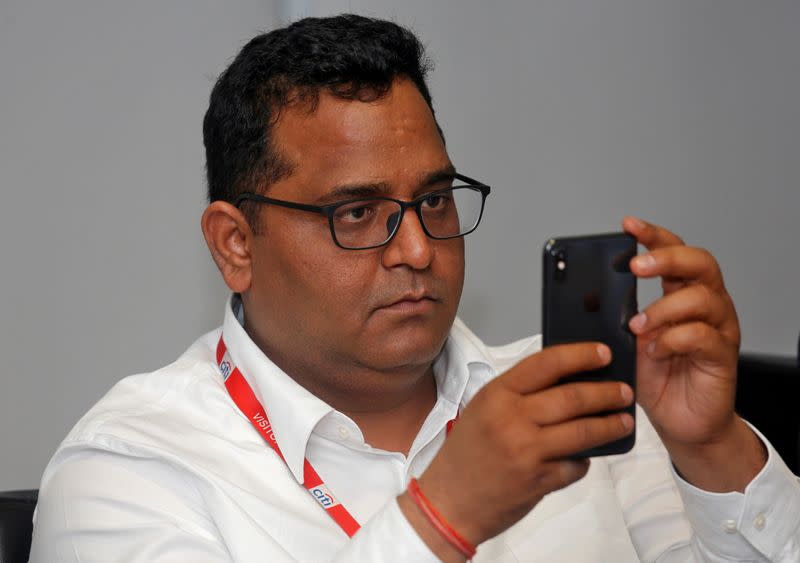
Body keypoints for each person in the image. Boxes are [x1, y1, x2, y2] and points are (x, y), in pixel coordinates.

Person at [30, 14, 800, 562]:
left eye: (433, 199)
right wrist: (442, 515)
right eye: (356, 213)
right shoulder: (128, 470)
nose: (416, 247)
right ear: (237, 244)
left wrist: (712, 451)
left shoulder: (572, 400)